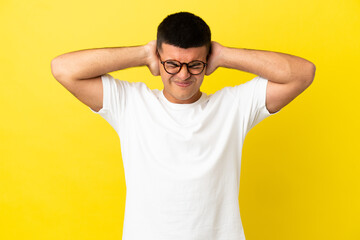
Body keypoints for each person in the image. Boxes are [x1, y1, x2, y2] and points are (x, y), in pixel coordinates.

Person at [51, 11, 316, 240]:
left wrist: (224, 55)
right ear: (159, 58)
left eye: (195, 65)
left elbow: (303, 74)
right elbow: (63, 68)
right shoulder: (131, 103)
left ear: (207, 62)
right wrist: (143, 53)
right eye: (172, 64)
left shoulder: (233, 106)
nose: (183, 75)